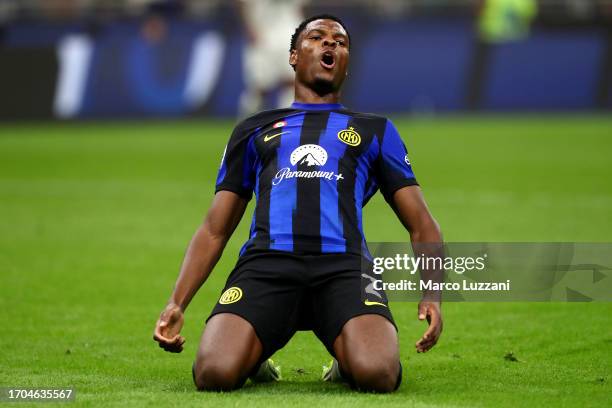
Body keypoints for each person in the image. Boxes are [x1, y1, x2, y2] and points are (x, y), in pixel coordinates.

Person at [153, 14, 443, 393]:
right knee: (214, 373)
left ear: (346, 61)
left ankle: (346, 359)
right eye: (318, 38)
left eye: (340, 42)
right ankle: (254, 354)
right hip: (267, 265)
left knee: (378, 374)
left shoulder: (375, 130)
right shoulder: (253, 129)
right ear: (292, 56)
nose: (331, 45)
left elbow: (422, 223)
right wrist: (177, 302)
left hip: (343, 267)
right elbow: (215, 228)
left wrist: (433, 294)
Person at [236, 0, 305, 117]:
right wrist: (250, 28)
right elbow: (241, 3)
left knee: (292, 81)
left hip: (289, 32)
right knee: (259, 87)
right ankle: (246, 123)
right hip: (263, 35)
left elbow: (299, 8)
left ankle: (286, 123)